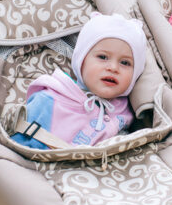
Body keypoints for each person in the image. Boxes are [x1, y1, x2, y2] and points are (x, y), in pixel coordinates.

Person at [12, 12, 147, 150]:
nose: (113, 68)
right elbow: (19, 147)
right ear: (81, 61)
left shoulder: (128, 107)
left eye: (125, 62)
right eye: (103, 57)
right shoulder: (48, 100)